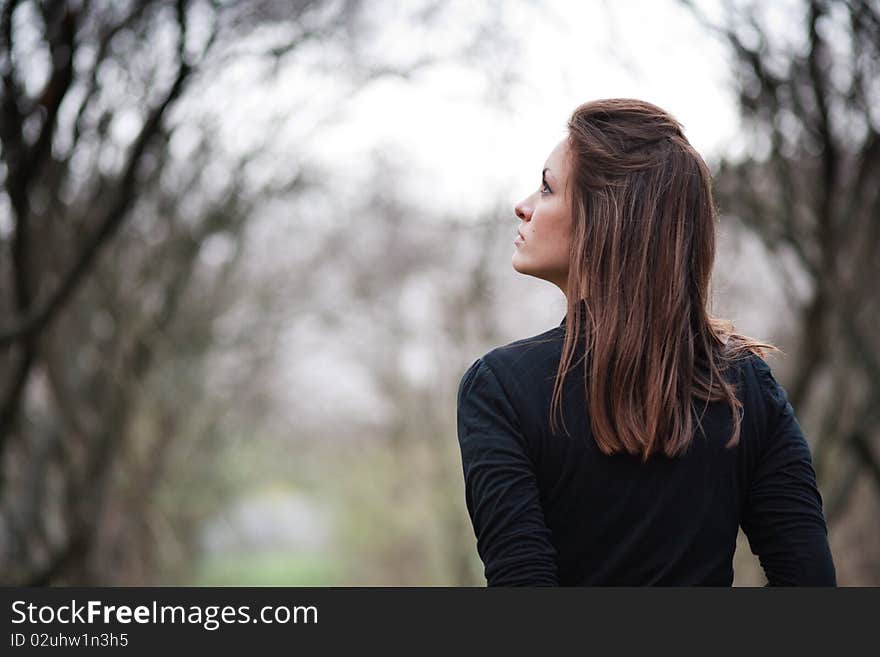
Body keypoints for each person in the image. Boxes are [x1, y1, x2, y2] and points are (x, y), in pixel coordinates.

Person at [455, 98, 837, 586]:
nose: (523, 205)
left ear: (605, 221)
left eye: (548, 188)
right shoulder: (742, 382)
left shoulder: (500, 389)